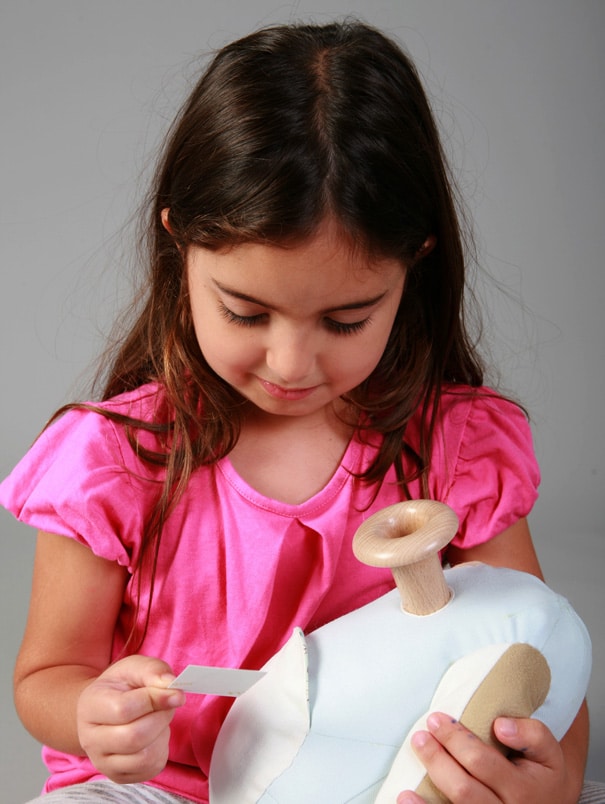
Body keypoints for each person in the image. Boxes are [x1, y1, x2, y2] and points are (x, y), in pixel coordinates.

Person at [0, 20, 590, 804]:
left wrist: (552, 776)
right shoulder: (112, 459)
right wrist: (91, 713)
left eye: (344, 321)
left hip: (372, 779)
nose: (289, 364)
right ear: (179, 242)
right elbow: (47, 675)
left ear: (413, 262)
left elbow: (534, 648)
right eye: (245, 313)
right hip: (163, 788)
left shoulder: (456, 446)